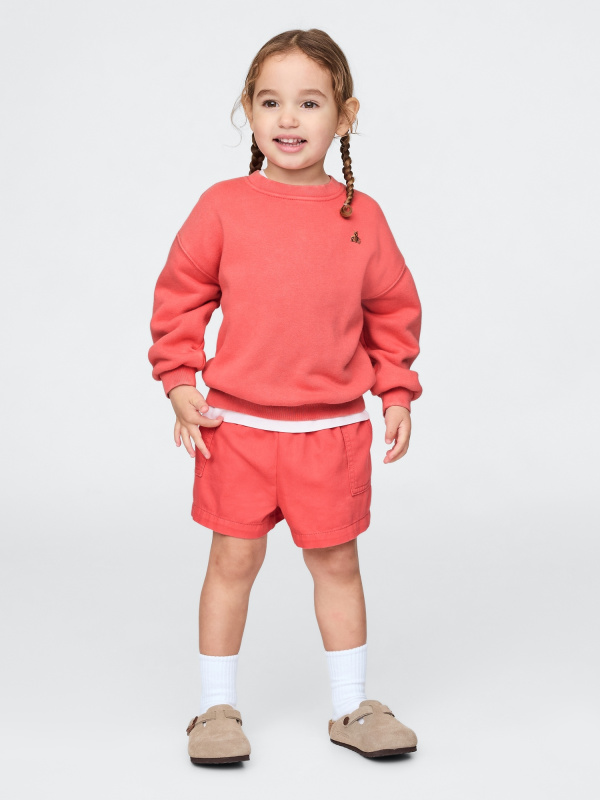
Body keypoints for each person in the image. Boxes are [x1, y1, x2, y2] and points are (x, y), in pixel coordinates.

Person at [148, 28, 423, 764]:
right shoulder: (223, 206)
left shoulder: (362, 217)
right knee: (231, 564)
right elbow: (179, 298)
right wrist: (179, 382)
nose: (289, 119)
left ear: (345, 115)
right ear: (248, 109)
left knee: (337, 566)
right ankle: (215, 711)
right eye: (270, 102)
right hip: (235, 430)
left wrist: (396, 391)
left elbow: (393, 312)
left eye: (310, 102)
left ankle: (351, 707)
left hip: (330, 436)